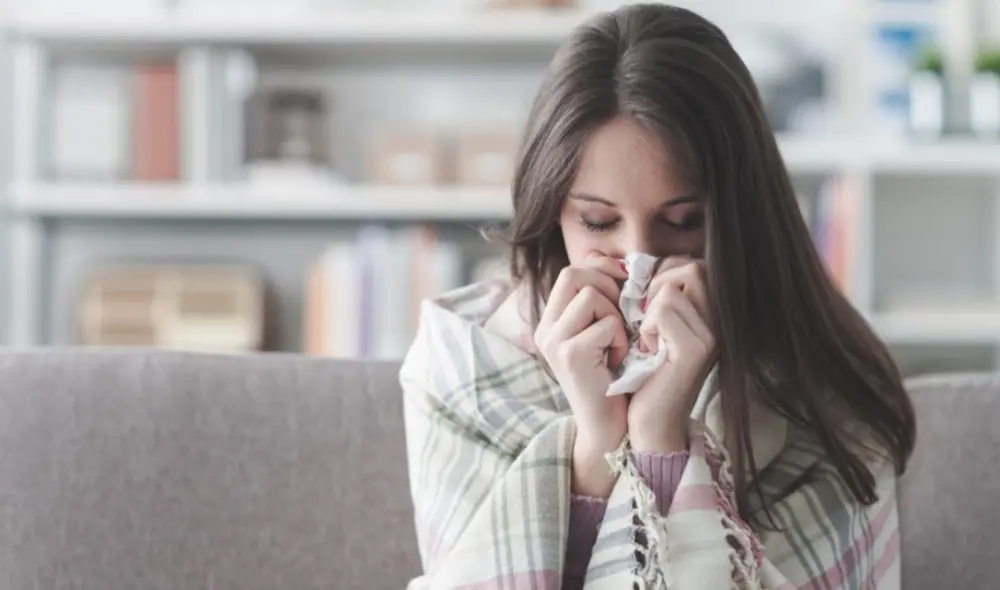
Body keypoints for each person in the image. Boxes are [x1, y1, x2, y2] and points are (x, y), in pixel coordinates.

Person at [399, 4, 915, 589]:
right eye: (597, 222)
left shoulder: (825, 387)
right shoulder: (463, 363)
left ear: (740, 217)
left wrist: (662, 438)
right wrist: (596, 442)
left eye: (683, 221)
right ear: (552, 215)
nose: (638, 260)